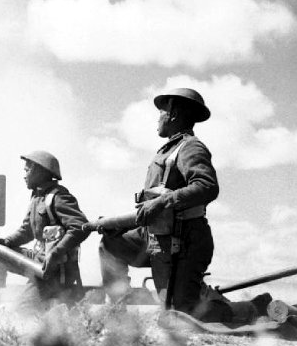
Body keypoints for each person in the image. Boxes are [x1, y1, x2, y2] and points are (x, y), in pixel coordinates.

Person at [84, 88, 223, 320]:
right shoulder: (168, 150)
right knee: (111, 244)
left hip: (185, 240)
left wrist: (163, 201)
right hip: (156, 237)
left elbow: (207, 186)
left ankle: (243, 309)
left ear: (174, 114)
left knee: (180, 315)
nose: (157, 118)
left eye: (161, 112)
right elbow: (152, 209)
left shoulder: (190, 147)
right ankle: (117, 313)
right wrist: (123, 225)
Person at [0, 150, 89, 312]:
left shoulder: (58, 197)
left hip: (55, 271)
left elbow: (80, 227)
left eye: (27, 170)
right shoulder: (37, 197)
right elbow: (27, 230)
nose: (24, 175)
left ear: (40, 171)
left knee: (21, 312)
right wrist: (6, 242)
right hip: (38, 262)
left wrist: (56, 254)